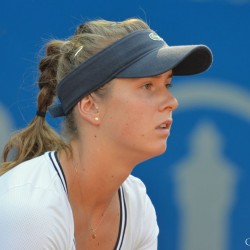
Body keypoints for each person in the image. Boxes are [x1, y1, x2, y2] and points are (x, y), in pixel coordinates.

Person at [0, 18, 212, 250]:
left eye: (167, 85)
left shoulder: (137, 205)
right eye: (147, 86)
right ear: (90, 106)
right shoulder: (29, 210)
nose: (172, 102)